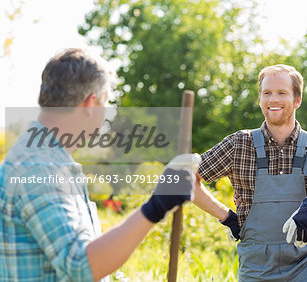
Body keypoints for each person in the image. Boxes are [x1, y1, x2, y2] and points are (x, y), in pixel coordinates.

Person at [0, 48, 200, 281]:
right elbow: (81, 266)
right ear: (91, 104)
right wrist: (156, 206)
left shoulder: (50, 159)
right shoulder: (38, 166)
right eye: (106, 102)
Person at [193, 64, 307, 281]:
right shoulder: (239, 144)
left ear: (297, 100)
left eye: (282, 93)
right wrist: (227, 217)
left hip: (305, 263)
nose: (272, 99)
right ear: (260, 99)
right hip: (256, 268)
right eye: (267, 93)